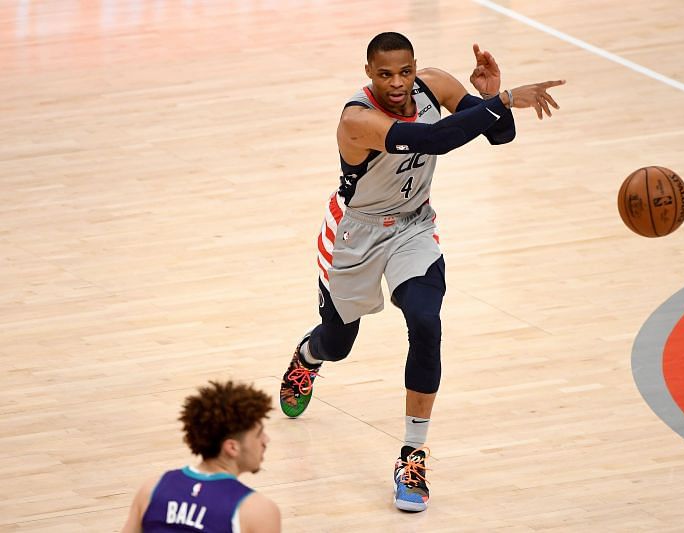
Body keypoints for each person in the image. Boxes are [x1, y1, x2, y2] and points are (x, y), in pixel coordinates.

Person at [279, 31, 564, 512]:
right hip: (356, 234)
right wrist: (505, 101)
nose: (397, 82)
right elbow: (436, 139)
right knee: (338, 343)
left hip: (413, 227)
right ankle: (309, 356)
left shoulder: (434, 87)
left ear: (416, 68)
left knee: (426, 321)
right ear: (368, 72)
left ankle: (413, 453)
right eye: (385, 73)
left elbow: (500, 133)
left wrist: (492, 98)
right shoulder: (356, 119)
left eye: (405, 71)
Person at [122, 380, 280, 533]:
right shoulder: (256, 510)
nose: (266, 440)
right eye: (259, 434)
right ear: (232, 447)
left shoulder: (152, 489)